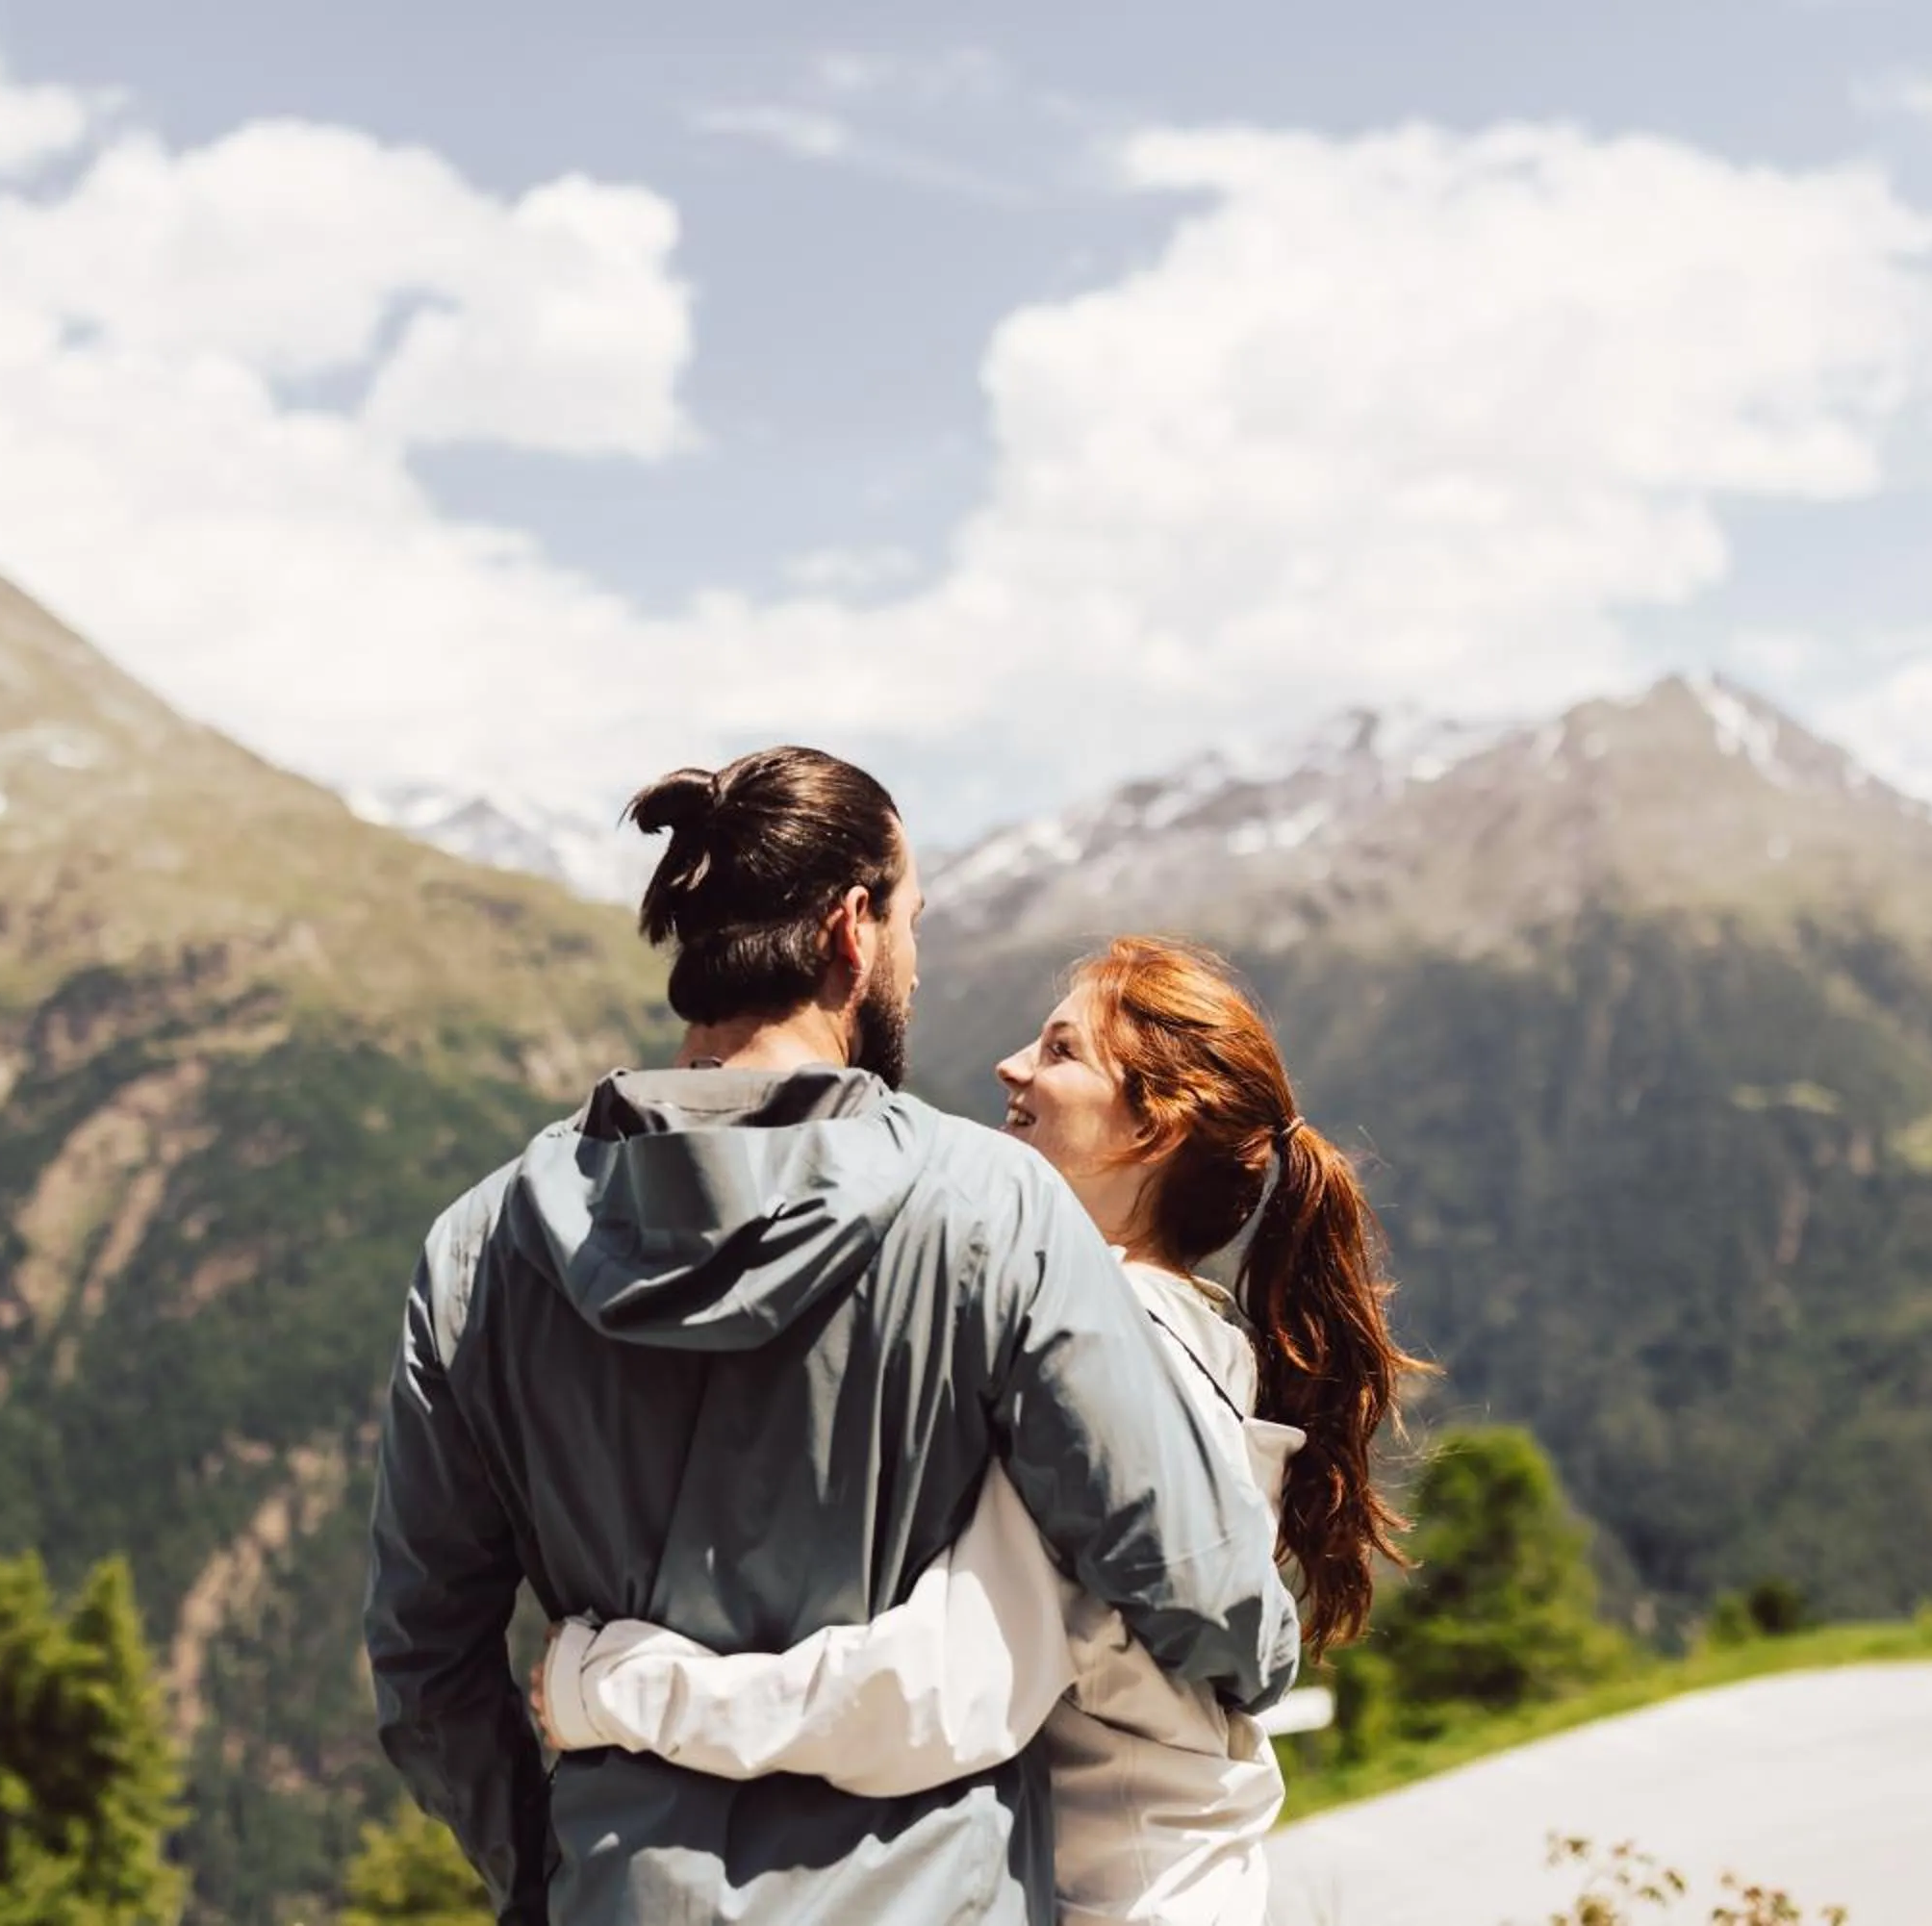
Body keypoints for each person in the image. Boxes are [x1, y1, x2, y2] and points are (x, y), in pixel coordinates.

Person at [365, 753, 1300, 1925]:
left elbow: (425, 1664)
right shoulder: (989, 1203)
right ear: (852, 931)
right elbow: (1194, 1576)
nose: (916, 955)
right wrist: (1269, 1651)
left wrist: (549, 1877)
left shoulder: (477, 1248)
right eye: (913, 920)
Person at [530, 936, 1426, 1925]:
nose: (1011, 1066)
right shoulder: (1188, 1328)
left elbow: (939, 1690)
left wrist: (616, 1689)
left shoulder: (1124, 1351)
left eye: (1059, 1050)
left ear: (1157, 1125)